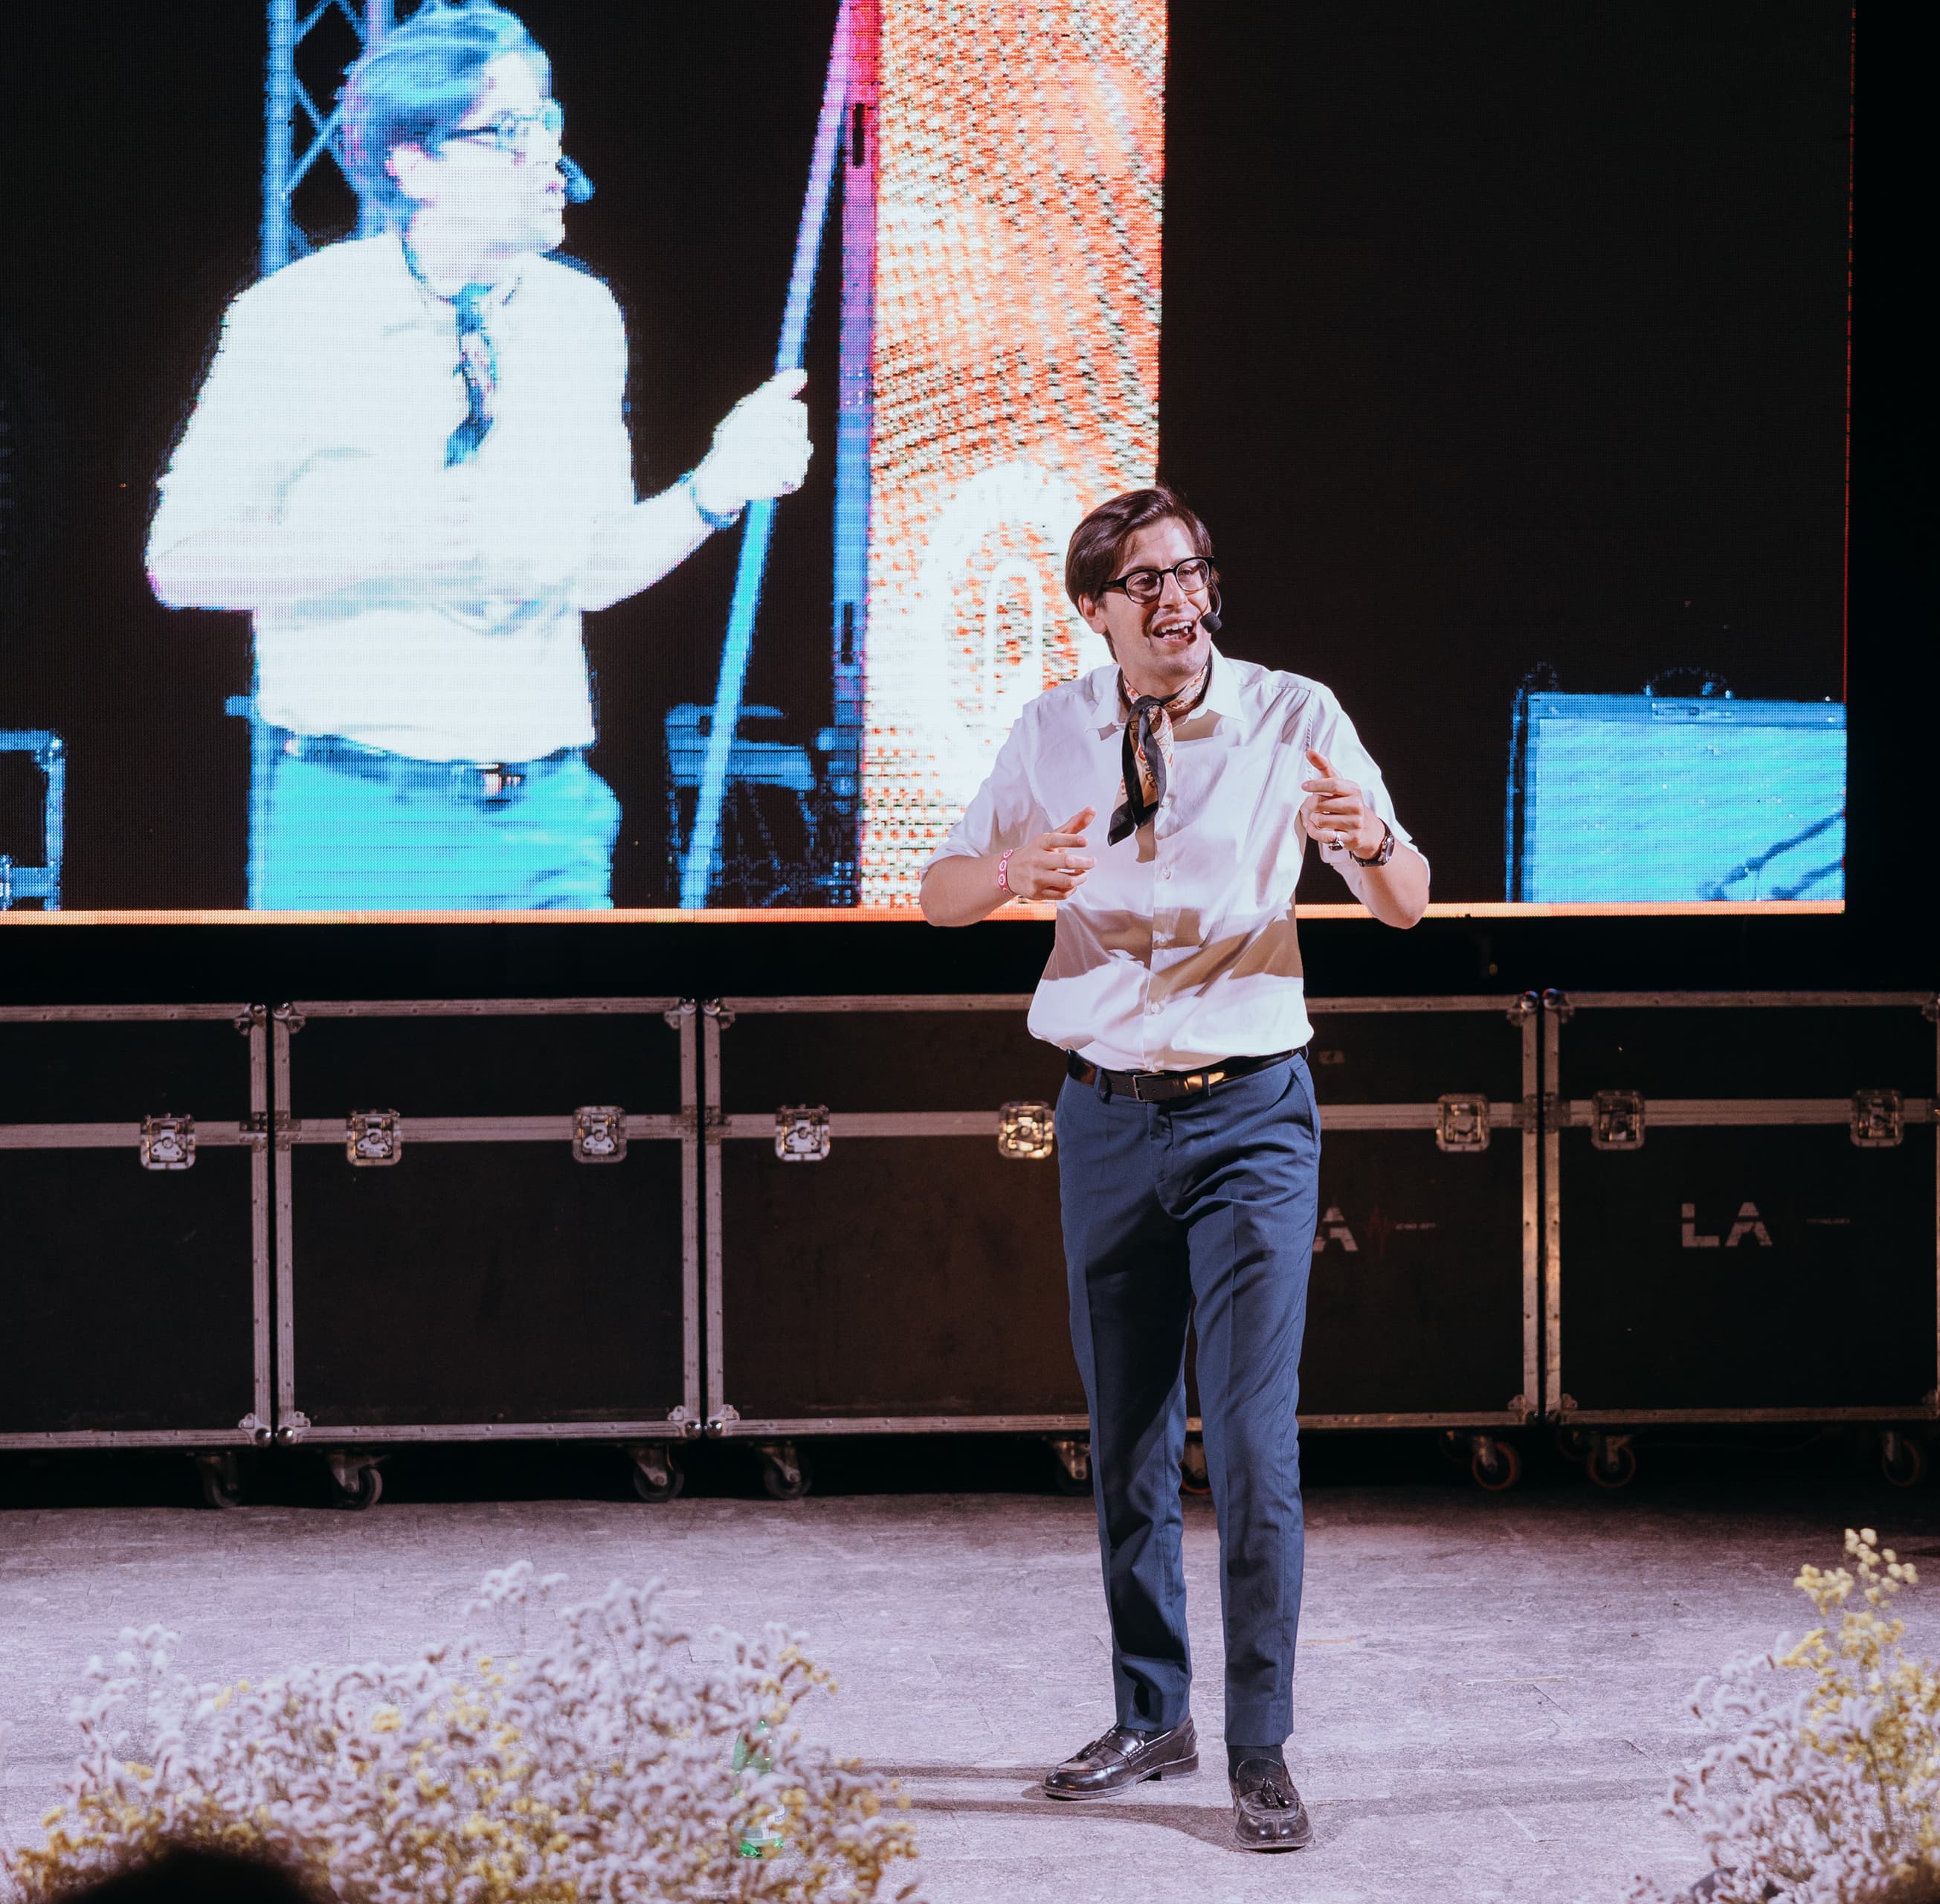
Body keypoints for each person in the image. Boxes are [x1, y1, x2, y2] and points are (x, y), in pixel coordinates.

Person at [919, 485, 1429, 1851]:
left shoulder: (1291, 715)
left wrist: (1367, 840)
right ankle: (1156, 1711)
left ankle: (1260, 1745)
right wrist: (1015, 865)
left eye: (1191, 571)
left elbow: (1405, 896)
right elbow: (939, 890)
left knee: (1252, 1446)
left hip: (1252, 1112)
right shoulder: (1053, 730)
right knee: (1129, 1437)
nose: (1177, 599)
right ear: (1097, 609)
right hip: (1104, 1117)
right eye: (1144, 581)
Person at [148, 1, 810, 909]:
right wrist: (381, 545)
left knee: (576, 1052)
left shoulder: (582, 318)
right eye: (507, 132)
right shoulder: (296, 318)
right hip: (359, 819)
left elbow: (589, 572)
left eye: (548, 123)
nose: (548, 158)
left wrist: (710, 491)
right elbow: (181, 563)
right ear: (412, 162)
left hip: (548, 818)